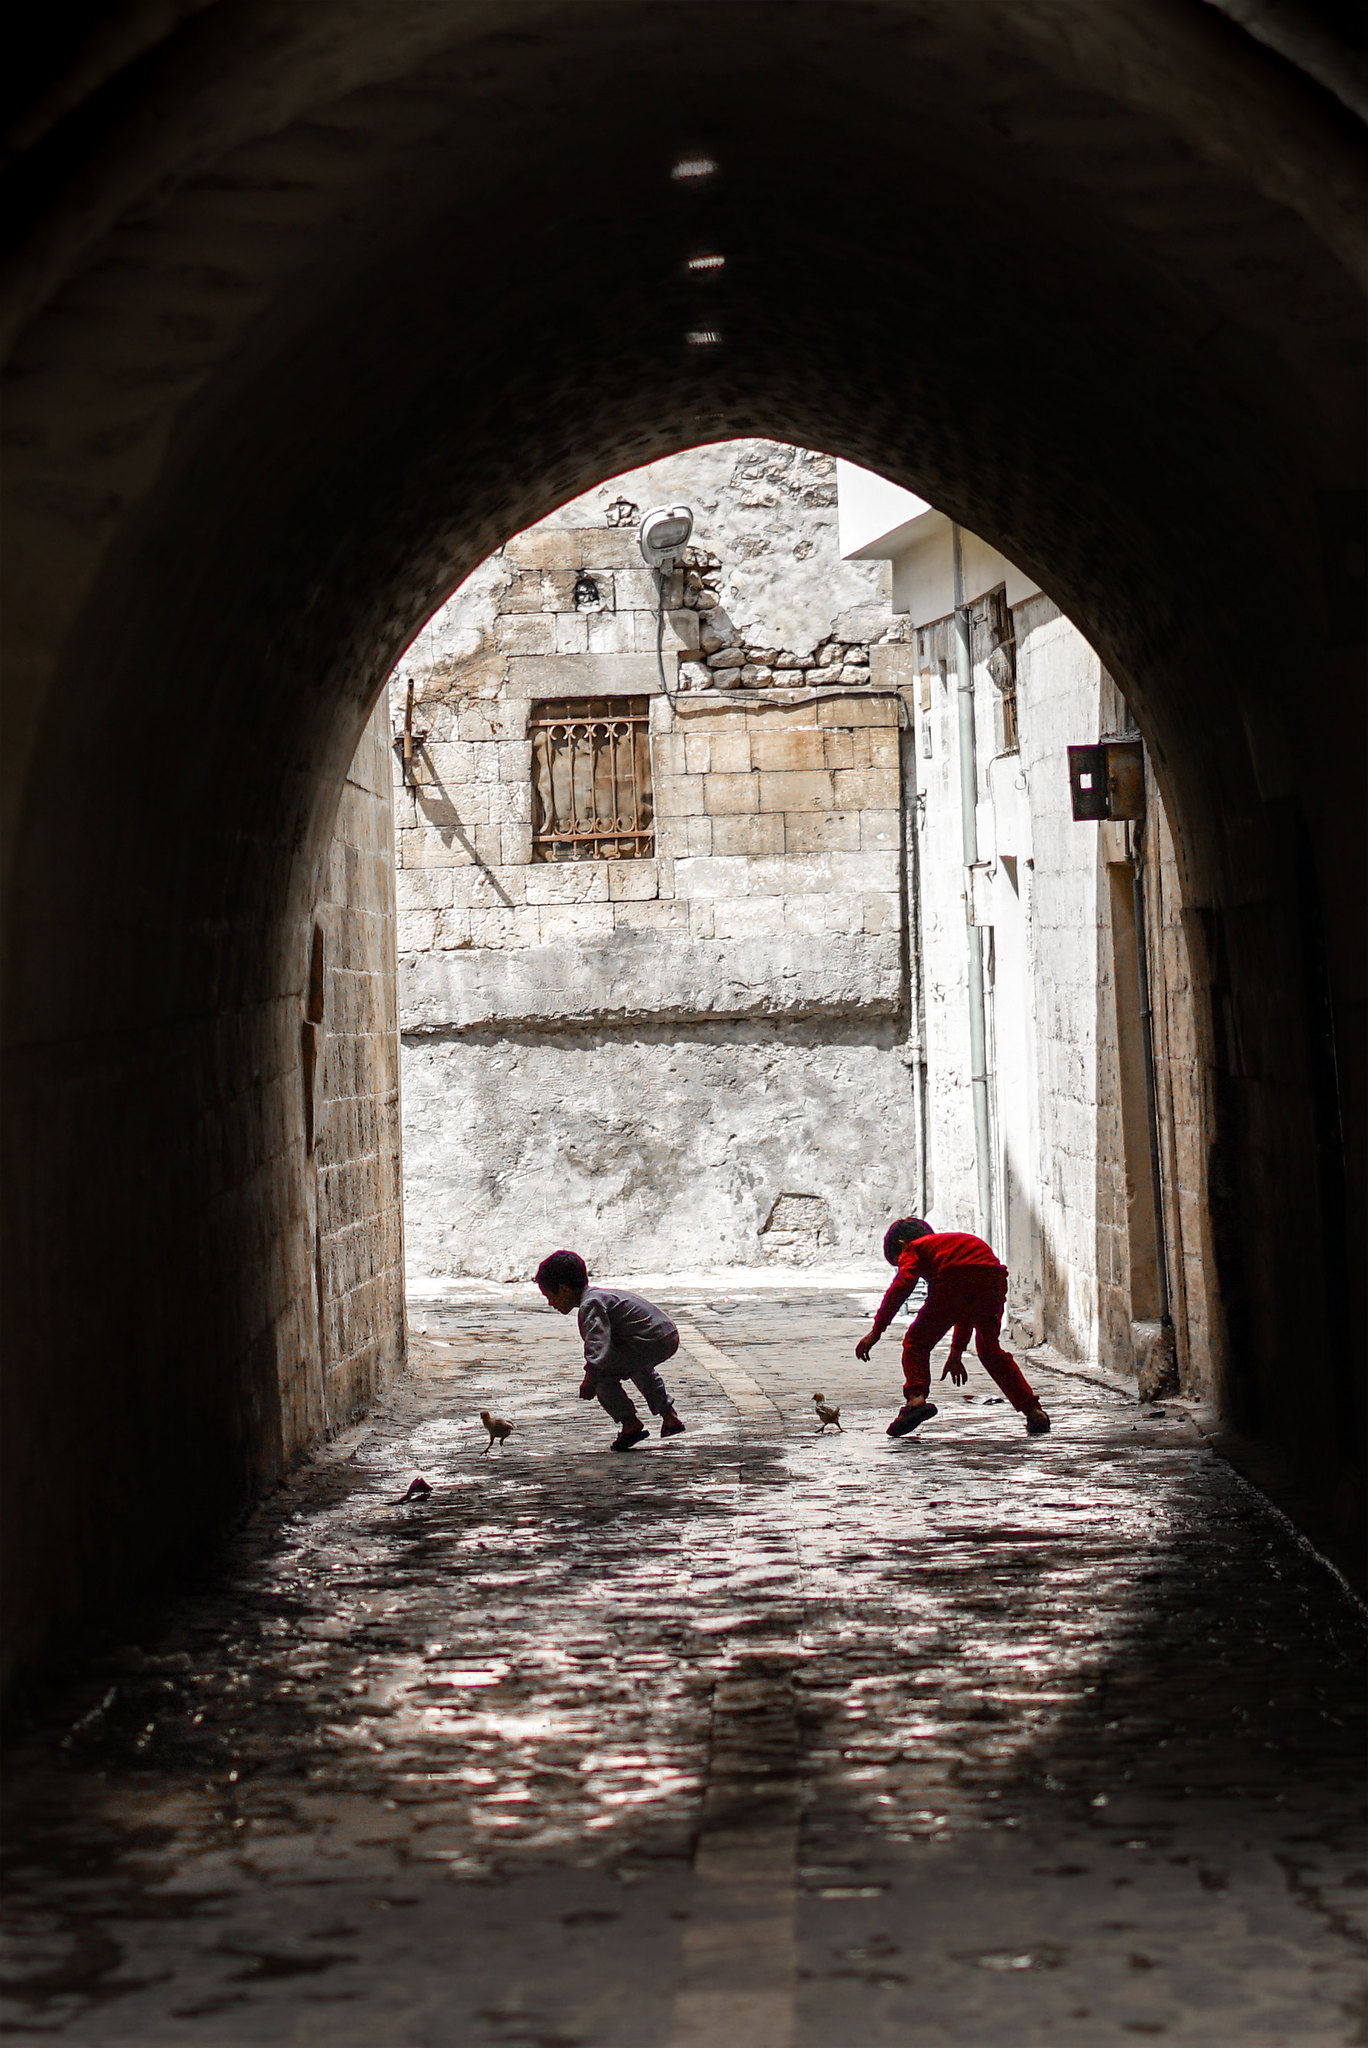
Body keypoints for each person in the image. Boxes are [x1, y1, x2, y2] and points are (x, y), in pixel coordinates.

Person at [855, 1217, 1051, 1438]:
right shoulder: (952, 1244)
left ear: (902, 1245)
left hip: (952, 1282)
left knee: (916, 1343)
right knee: (990, 1351)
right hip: (992, 1281)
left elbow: (902, 1286)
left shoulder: (914, 1248)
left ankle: (916, 1399)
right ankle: (1033, 1412)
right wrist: (956, 1352)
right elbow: (966, 1307)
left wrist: (877, 1330)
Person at [535, 1249, 687, 1452]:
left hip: (649, 1339)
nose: (550, 1303)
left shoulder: (590, 1305)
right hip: (663, 1335)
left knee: (604, 1378)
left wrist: (590, 1379)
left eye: (549, 1296)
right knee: (637, 1366)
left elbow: (597, 1345)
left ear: (563, 1290)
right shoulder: (599, 1295)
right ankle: (669, 1416)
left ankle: (629, 1423)